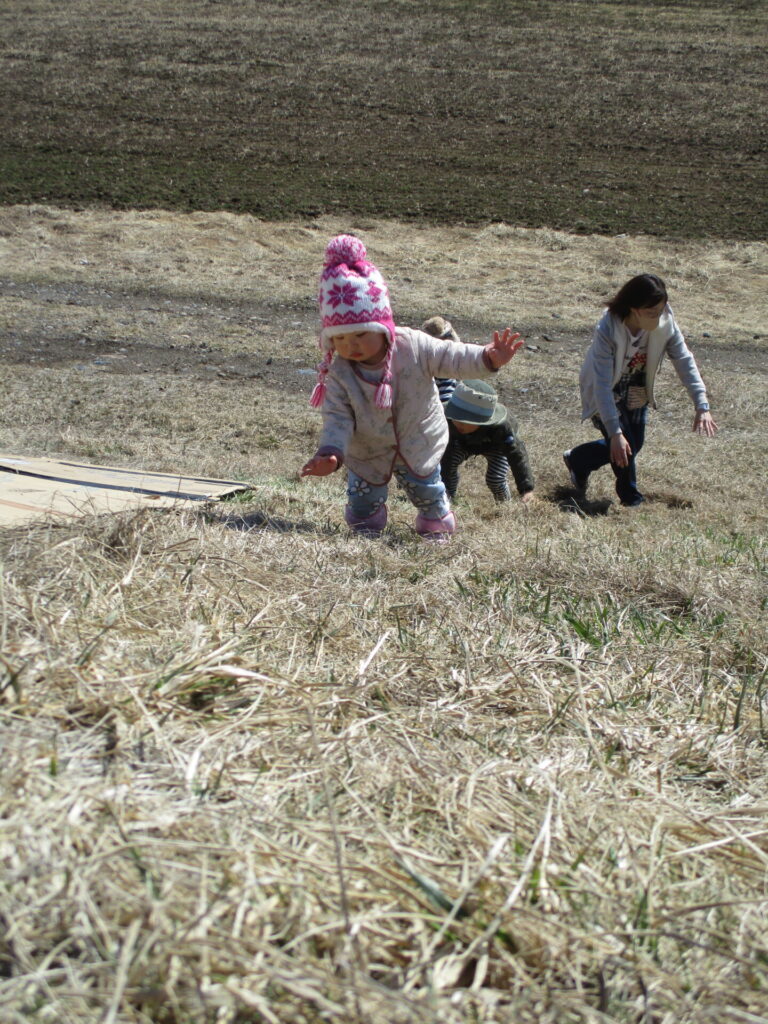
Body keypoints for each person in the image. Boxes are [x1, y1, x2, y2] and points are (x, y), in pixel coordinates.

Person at [300, 235, 524, 540]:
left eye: (361, 335)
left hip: (418, 439)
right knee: (363, 496)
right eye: (339, 338)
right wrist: (332, 452)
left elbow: (452, 357)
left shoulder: (413, 345)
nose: (350, 346)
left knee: (428, 491)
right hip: (367, 450)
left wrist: (487, 357)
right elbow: (338, 417)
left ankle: (435, 526)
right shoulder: (340, 372)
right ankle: (366, 527)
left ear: (383, 325)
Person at [563, 273, 718, 507]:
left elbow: (684, 360)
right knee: (623, 443)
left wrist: (701, 404)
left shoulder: (665, 323)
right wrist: (614, 433)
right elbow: (602, 384)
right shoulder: (608, 328)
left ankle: (578, 459)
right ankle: (631, 498)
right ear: (634, 308)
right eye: (651, 313)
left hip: (637, 387)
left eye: (661, 309)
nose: (658, 317)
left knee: (634, 444)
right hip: (604, 389)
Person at [441, 379, 535, 503]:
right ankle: (448, 499)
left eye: (466, 421)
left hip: (495, 446)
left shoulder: (502, 427)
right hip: (461, 443)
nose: (459, 424)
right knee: (449, 463)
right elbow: (445, 457)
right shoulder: (447, 420)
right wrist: (444, 487)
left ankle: (504, 504)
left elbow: (517, 454)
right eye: (456, 417)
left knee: (495, 478)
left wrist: (526, 489)